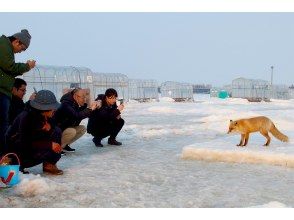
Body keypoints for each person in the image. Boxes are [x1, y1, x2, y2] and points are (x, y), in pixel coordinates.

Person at [6, 90, 63, 175]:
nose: (54, 109)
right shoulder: (26, 117)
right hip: (18, 153)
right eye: (52, 108)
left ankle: (49, 164)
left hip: (33, 148)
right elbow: (24, 142)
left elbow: (52, 130)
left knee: (57, 131)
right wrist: (49, 144)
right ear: (44, 109)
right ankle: (18, 165)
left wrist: (49, 128)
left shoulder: (47, 116)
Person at [0, 29, 36, 154]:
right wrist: (27, 66)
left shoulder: (6, 48)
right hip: (1, 92)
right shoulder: (3, 46)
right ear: (16, 42)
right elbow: (9, 67)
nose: (21, 51)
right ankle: (3, 157)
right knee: (2, 127)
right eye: (23, 48)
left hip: (4, 93)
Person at [53, 88, 100, 153]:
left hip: (64, 128)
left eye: (85, 97)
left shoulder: (75, 103)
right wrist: (90, 109)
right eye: (83, 97)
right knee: (72, 131)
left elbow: (82, 115)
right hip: (56, 132)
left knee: (82, 128)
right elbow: (76, 115)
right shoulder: (66, 104)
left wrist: (91, 108)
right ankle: (58, 148)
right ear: (75, 96)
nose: (84, 99)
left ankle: (64, 145)